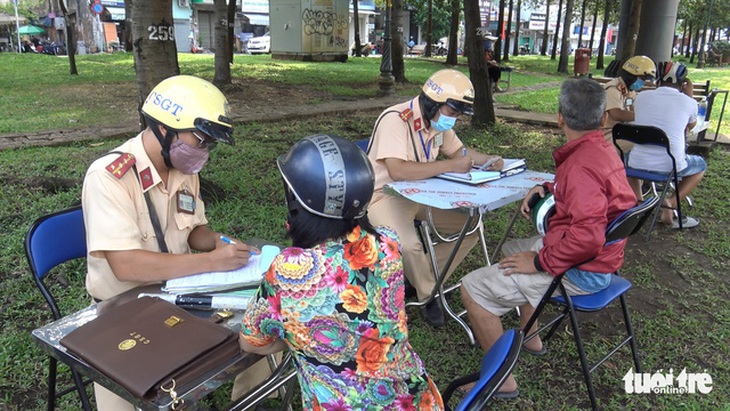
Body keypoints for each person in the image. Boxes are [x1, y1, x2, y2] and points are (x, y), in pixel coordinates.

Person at [81, 75, 270, 410]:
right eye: (201, 139)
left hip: (175, 298)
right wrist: (211, 262)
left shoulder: (184, 170)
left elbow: (193, 229)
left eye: (209, 142)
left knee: (259, 335)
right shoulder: (109, 176)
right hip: (120, 312)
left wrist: (218, 242)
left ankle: (249, 400)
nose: (204, 150)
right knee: (131, 394)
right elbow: (126, 266)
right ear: (164, 129)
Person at [459, 78, 637, 399]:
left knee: (472, 288)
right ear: (603, 119)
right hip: (601, 262)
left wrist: (539, 262)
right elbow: (593, 199)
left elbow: (587, 237)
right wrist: (550, 189)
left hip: (584, 270)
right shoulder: (603, 150)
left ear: (559, 118)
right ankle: (532, 338)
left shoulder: (580, 167)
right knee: (514, 249)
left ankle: (502, 381)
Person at [239, 134, 444, 410]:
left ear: (296, 201)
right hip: (415, 401)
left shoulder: (288, 271)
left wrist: (302, 337)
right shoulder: (387, 245)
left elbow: (252, 341)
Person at [365, 69, 504, 326]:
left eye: (458, 114)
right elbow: (398, 170)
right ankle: (429, 295)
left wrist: (491, 161)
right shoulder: (396, 120)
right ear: (431, 104)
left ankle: (421, 280)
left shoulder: (436, 123)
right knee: (407, 246)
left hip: (421, 194)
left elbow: (459, 151)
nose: (454, 119)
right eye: (452, 112)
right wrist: (449, 166)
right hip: (384, 196)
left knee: (471, 227)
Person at [628, 61, 704, 229]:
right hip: (671, 164)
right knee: (700, 167)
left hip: (637, 163)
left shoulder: (641, 97)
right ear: (683, 83)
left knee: (628, 164)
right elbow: (690, 126)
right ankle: (670, 202)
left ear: (658, 80)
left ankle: (639, 204)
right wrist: (689, 96)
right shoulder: (688, 102)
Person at [601, 55, 656, 149]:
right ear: (632, 75)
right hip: (607, 134)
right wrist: (643, 115)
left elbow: (631, 109)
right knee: (641, 145)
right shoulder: (613, 89)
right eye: (642, 79)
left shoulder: (629, 91)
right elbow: (617, 114)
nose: (643, 83)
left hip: (621, 131)